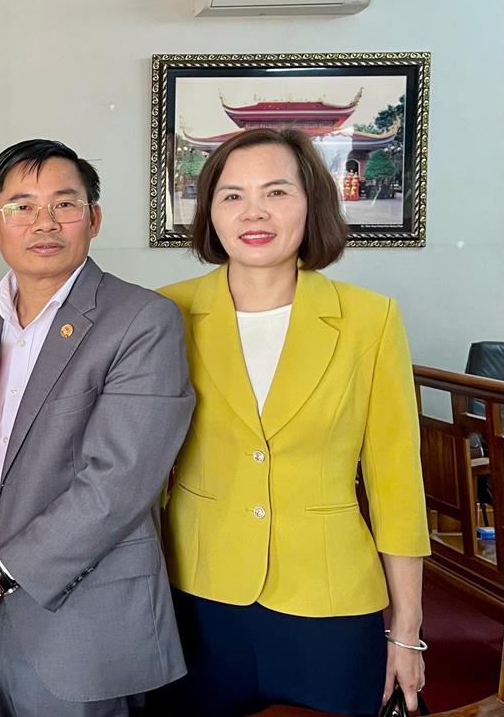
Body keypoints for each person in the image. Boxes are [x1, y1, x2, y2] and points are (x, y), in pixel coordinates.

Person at [159, 127, 429, 716]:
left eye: (276, 192)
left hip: (331, 602)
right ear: (210, 211)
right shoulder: (165, 312)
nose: (253, 212)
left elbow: (396, 485)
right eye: (232, 195)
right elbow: (141, 470)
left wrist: (407, 631)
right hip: (195, 595)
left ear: (312, 203)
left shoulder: (370, 319)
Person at [0, 139, 195, 717]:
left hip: (81, 617)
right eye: (22, 206)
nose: (44, 222)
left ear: (93, 219)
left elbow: (117, 484)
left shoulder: (143, 320)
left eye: (64, 204)